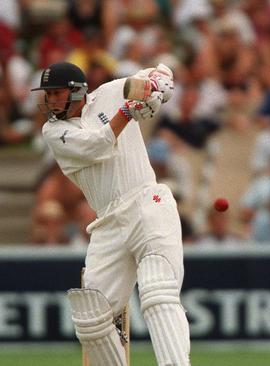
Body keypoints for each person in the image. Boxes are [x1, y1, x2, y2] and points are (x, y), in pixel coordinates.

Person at [31, 61, 190, 365]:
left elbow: (162, 71)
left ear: (77, 92)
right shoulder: (54, 131)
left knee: (157, 291)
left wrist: (156, 88)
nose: (50, 100)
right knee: (90, 316)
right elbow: (98, 145)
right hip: (107, 222)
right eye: (47, 94)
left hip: (147, 201)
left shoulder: (111, 92)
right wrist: (129, 112)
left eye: (56, 93)